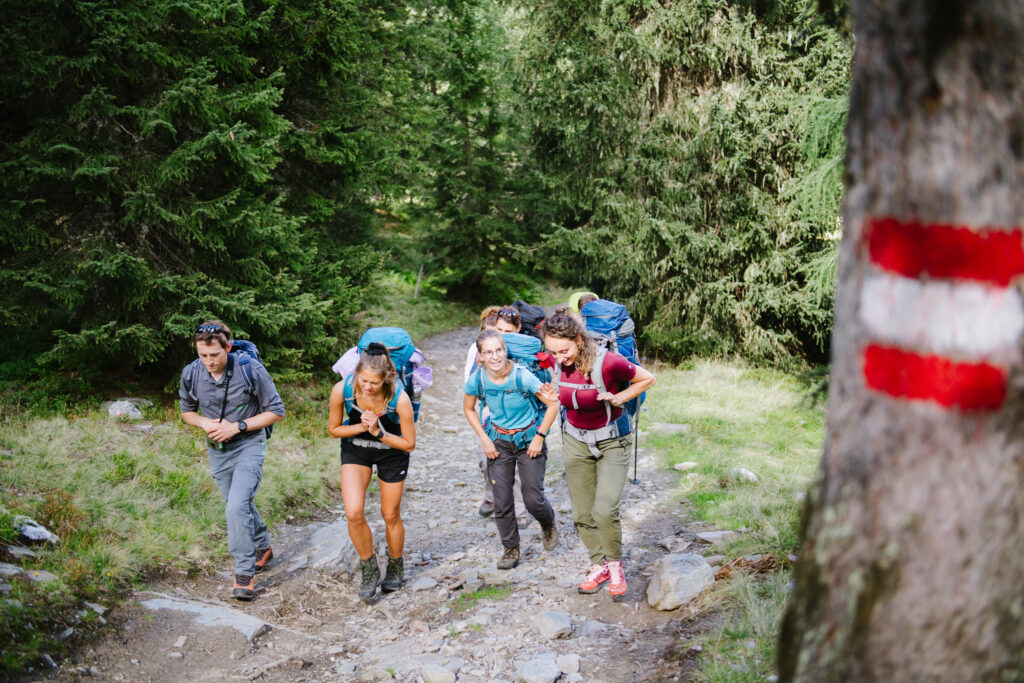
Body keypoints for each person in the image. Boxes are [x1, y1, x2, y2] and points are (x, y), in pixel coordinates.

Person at [540, 312, 655, 600]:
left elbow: (647, 378)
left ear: (579, 340)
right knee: (581, 513)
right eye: (553, 351)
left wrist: (619, 398)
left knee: (604, 510)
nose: (559, 357)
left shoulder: (608, 361)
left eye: (564, 351)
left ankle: (615, 566)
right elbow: (561, 397)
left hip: (613, 442)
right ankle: (598, 565)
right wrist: (550, 397)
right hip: (575, 441)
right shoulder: (557, 363)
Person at [179, 321, 285, 601]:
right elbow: (187, 411)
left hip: (249, 443)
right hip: (217, 448)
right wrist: (203, 423)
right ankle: (263, 546)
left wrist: (236, 427)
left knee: (236, 505)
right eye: (203, 355)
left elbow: (276, 410)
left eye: (214, 355)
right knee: (237, 504)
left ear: (227, 347)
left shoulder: (250, 369)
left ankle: (244, 572)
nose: (209, 362)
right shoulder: (191, 373)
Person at [463, 330, 559, 569]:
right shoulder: (478, 379)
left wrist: (539, 437)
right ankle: (510, 549)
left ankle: (547, 522)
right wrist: (484, 439)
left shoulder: (522, 376)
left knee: (533, 499)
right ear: (481, 357)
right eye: (488, 352)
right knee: (502, 500)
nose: (495, 356)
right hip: (498, 443)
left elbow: (552, 404)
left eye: (499, 350)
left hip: (529, 441)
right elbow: (468, 408)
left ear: (505, 350)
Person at [328, 343, 416, 602]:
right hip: (356, 450)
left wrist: (379, 432)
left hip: (392, 451)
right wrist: (361, 428)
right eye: (362, 380)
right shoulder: (341, 390)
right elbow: (334, 429)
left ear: (385, 380)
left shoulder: (399, 398)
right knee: (353, 513)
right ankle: (369, 568)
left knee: (390, 514)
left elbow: (409, 443)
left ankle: (396, 564)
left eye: (373, 383)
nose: (366, 387)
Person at [464, 307, 527, 524]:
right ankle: (491, 497)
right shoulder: (480, 352)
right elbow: (470, 388)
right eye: (499, 330)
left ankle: (518, 512)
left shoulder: (522, 351)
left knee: (516, 467)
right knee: (486, 461)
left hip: (519, 419)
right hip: (489, 416)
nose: (503, 335)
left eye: (507, 331)